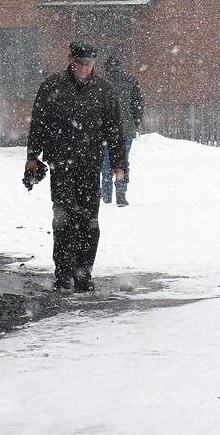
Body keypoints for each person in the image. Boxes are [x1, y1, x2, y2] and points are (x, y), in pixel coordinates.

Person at [24, 40, 126, 293]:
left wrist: (118, 164)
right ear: (70, 59)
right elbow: (39, 122)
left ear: (94, 64)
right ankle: (64, 273)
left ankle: (84, 273)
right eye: (78, 64)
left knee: (89, 221)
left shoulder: (104, 90)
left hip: (90, 165)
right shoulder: (52, 86)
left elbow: (114, 129)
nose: (82, 69)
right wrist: (32, 156)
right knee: (63, 219)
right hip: (61, 164)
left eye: (87, 65)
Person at [100, 55, 144, 207]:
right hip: (126, 129)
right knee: (122, 160)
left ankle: (106, 193)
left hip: (106, 130)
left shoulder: (101, 83)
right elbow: (138, 105)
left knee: (106, 161)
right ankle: (121, 190)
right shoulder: (131, 81)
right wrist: (134, 123)